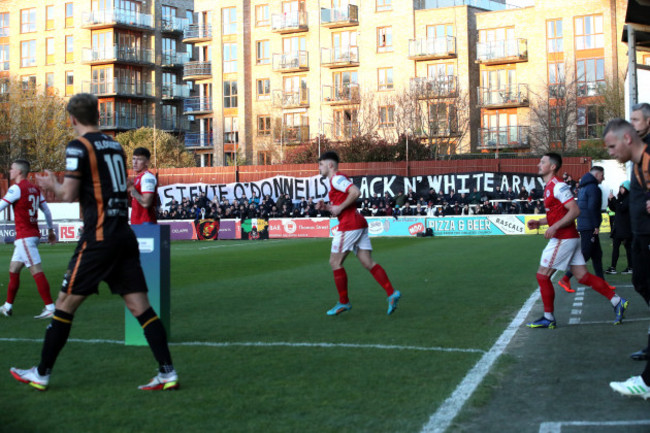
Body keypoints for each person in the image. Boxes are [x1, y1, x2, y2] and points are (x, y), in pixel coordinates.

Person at [10, 93, 178, 391]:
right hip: (123, 234)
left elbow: (69, 194)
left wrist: (53, 185)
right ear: (98, 116)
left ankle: (42, 372)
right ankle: (167, 372)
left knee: (63, 304)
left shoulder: (78, 145)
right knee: (141, 306)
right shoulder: (114, 145)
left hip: (98, 237)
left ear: (72, 118)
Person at [525, 153, 627, 330]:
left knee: (542, 275)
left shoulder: (558, 185)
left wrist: (555, 227)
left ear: (552, 167)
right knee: (583, 276)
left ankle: (548, 318)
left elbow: (574, 210)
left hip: (563, 238)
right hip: (569, 237)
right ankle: (617, 301)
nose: (538, 165)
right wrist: (541, 222)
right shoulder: (550, 186)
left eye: (542, 162)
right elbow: (561, 214)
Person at [315, 151, 401, 316]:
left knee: (334, 262)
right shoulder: (337, 180)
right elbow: (341, 205)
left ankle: (344, 302)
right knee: (368, 262)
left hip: (349, 225)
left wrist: (339, 208)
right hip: (357, 222)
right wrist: (327, 207)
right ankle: (392, 293)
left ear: (330, 165)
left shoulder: (336, 179)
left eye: (321, 164)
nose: (319, 167)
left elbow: (355, 192)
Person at [605, 119, 650, 398]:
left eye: (612, 146)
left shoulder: (647, 161)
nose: (610, 152)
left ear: (627, 138)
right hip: (641, 238)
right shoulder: (637, 166)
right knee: (641, 282)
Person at [0, 159, 57, 319]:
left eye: (12, 169)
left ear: (19, 172)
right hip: (32, 234)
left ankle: (50, 308)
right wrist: (51, 230)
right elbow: (46, 211)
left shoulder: (16, 189)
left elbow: (1, 206)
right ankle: (7, 306)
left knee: (36, 270)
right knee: (14, 269)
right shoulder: (35, 189)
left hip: (25, 236)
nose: (10, 171)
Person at [558, 166, 609, 293]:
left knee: (597, 254)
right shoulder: (593, 188)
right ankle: (565, 278)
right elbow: (592, 207)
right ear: (597, 175)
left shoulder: (583, 187)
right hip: (589, 225)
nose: (604, 178)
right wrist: (596, 225)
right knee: (585, 253)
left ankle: (602, 283)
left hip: (585, 223)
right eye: (602, 175)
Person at [605, 182, 633, 276]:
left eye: (623, 188)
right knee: (617, 246)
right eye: (620, 187)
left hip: (625, 227)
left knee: (627, 247)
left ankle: (629, 267)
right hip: (619, 226)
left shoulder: (629, 198)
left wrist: (613, 200)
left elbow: (621, 208)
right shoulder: (621, 198)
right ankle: (615, 267)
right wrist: (610, 200)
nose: (621, 189)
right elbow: (614, 208)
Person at [128, 147, 158, 225]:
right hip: (137, 224)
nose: (135, 162)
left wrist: (132, 189)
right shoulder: (138, 178)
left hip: (146, 224)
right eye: (134, 159)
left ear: (147, 162)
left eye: (139, 159)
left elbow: (146, 203)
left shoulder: (147, 177)